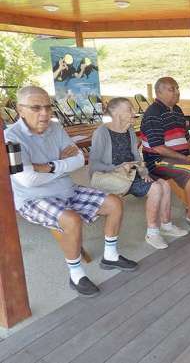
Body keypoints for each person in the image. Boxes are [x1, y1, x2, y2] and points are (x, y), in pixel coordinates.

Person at [6, 86, 138, 297]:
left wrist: (48, 166)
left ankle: (110, 256)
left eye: (48, 107)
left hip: (67, 188)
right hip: (33, 198)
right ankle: (76, 275)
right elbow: (28, 179)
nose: (44, 113)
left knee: (114, 203)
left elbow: (78, 160)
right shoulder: (11, 138)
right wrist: (61, 163)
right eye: (36, 108)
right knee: (71, 220)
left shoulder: (55, 129)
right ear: (20, 109)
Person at [89, 97, 188, 250]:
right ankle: (152, 233)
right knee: (155, 189)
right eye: (129, 110)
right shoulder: (101, 132)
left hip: (130, 174)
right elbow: (94, 164)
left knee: (164, 185)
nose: (134, 113)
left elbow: (136, 157)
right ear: (115, 113)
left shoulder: (128, 130)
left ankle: (166, 225)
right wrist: (118, 166)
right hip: (110, 176)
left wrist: (143, 172)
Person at [140, 77, 190, 231]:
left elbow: (186, 139)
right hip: (158, 160)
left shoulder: (177, 110)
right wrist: (185, 159)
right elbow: (158, 147)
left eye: (177, 88)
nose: (177, 92)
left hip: (181, 154)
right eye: (172, 89)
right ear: (159, 92)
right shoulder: (153, 113)